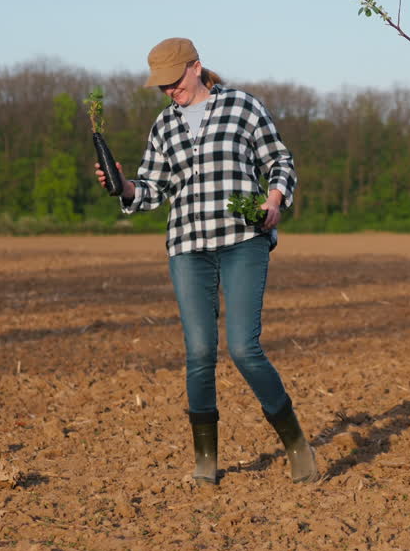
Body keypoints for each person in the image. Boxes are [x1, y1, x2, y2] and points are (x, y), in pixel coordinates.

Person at [95, 37, 317, 485]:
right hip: (187, 246)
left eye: (173, 82)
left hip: (242, 240)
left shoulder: (242, 106)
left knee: (243, 348)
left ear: (196, 67)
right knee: (198, 353)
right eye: (161, 87)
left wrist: (274, 200)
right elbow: (153, 189)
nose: (168, 91)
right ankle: (205, 459)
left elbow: (279, 161)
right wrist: (122, 185)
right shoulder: (164, 126)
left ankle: (295, 442)